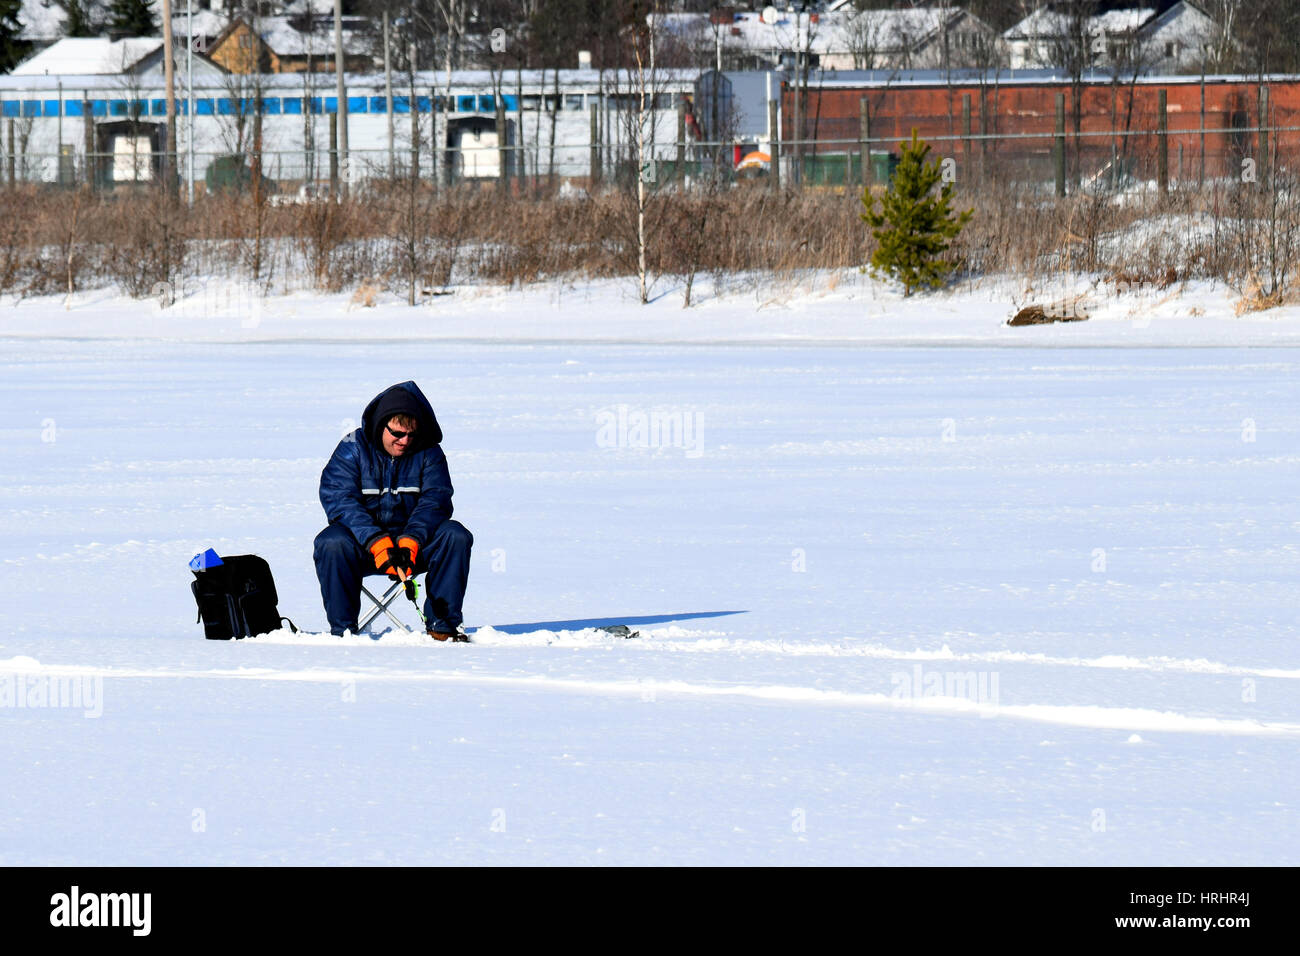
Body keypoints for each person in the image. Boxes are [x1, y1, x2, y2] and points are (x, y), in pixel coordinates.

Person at [314, 381, 472, 640]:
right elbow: (339, 499)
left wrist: (411, 539)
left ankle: (442, 629)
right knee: (331, 542)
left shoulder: (429, 452)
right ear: (381, 425)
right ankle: (343, 633)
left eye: (411, 435)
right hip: (365, 547)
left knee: (455, 535)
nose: (404, 441)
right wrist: (376, 542)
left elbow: (437, 500)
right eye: (397, 434)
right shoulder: (353, 446)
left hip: (414, 546)